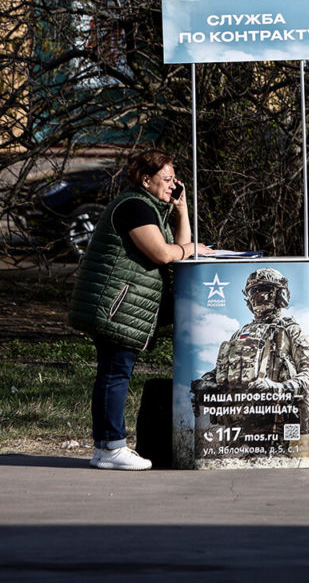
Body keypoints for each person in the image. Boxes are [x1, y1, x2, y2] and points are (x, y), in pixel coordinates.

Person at [69, 149, 212, 470]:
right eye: (166, 179)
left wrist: (182, 210)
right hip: (115, 305)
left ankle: (107, 447)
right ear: (145, 180)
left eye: (174, 179)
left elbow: (180, 250)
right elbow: (163, 253)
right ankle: (109, 449)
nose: (172, 184)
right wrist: (193, 249)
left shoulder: (148, 206)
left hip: (123, 305)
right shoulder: (133, 207)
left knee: (115, 370)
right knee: (114, 372)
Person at [191, 267, 309, 452]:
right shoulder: (240, 333)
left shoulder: (291, 330)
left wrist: (278, 388)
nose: (257, 294)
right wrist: (204, 383)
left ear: (280, 294)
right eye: (253, 290)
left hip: (274, 428)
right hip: (233, 431)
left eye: (264, 288)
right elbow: (222, 370)